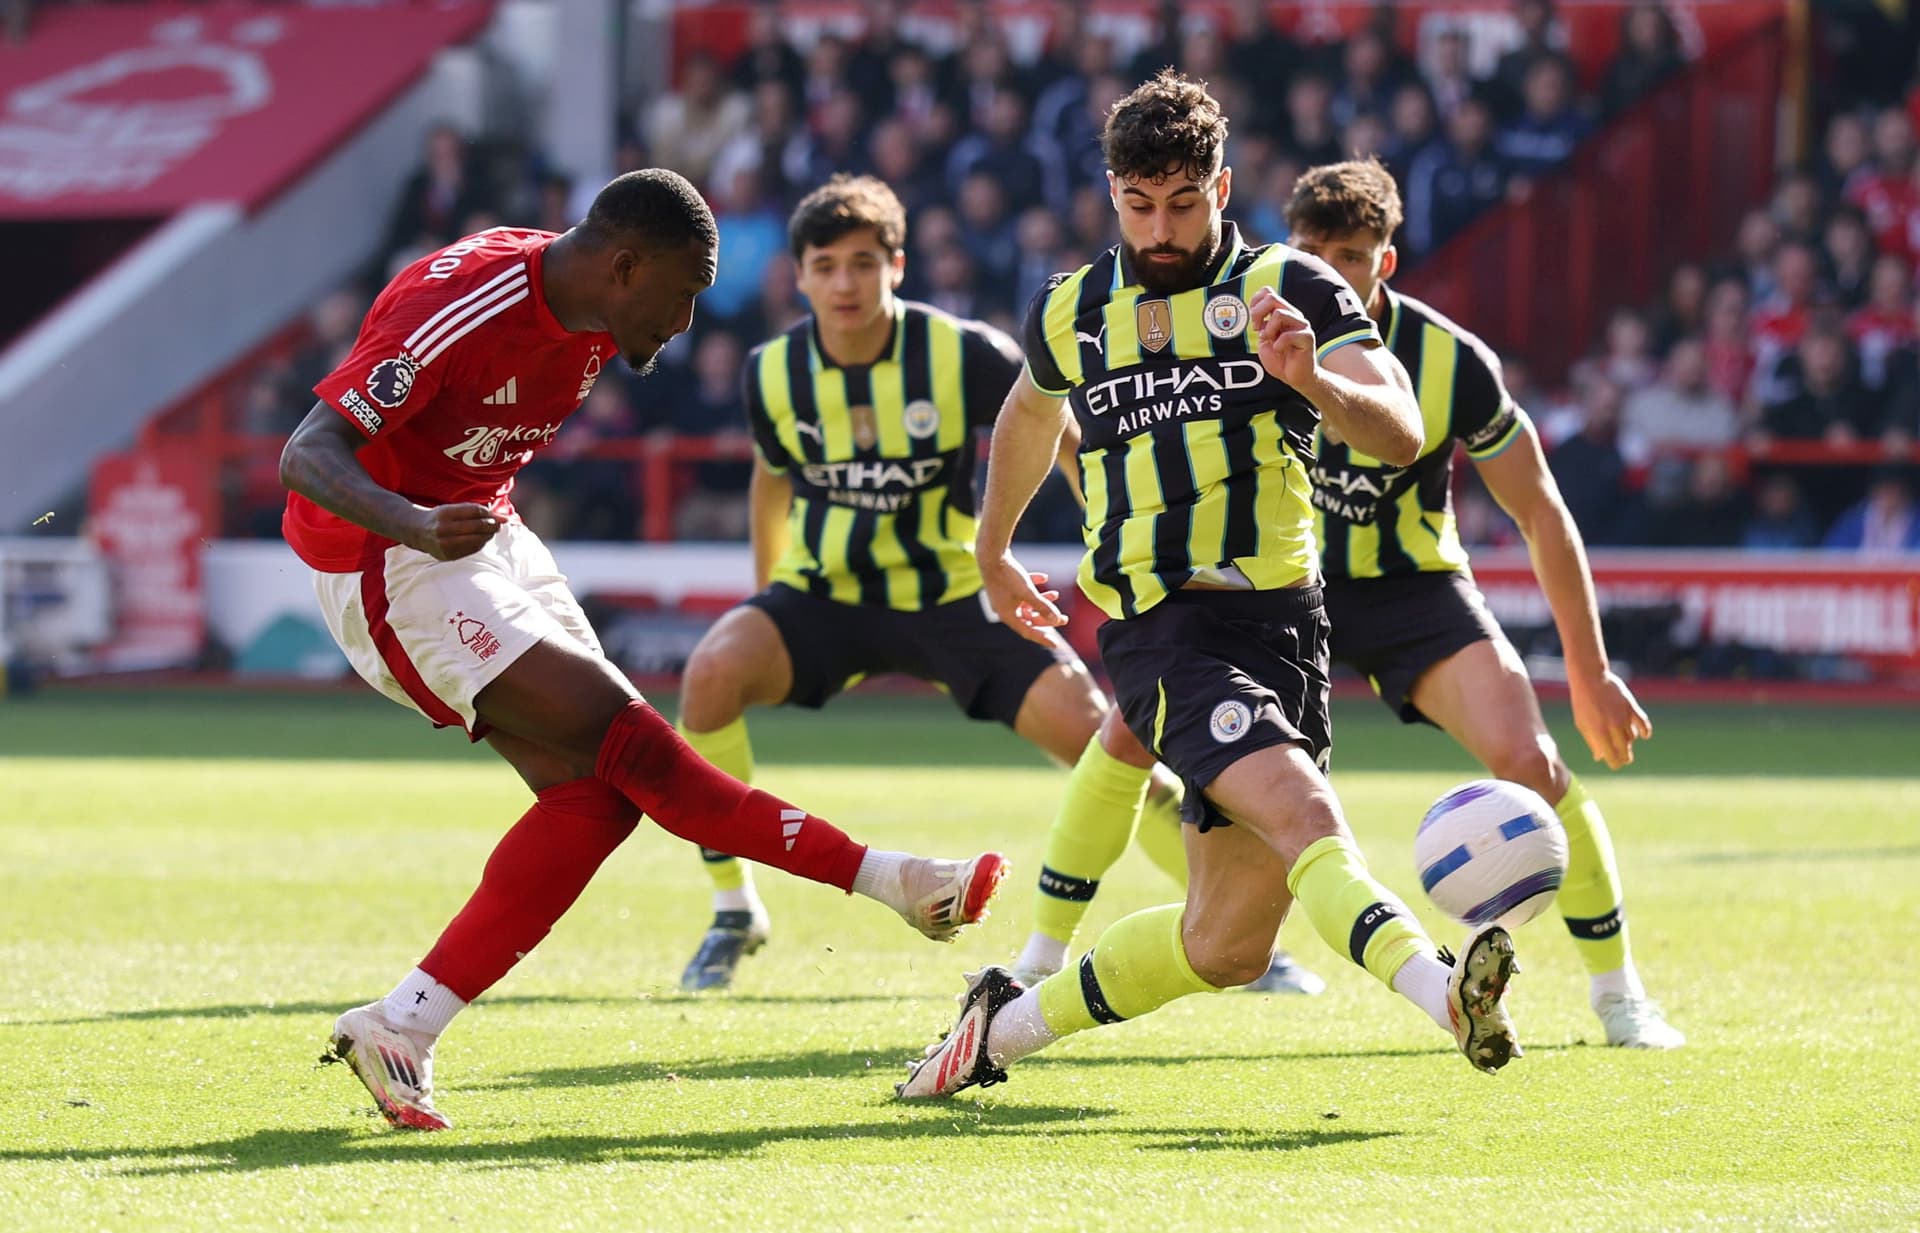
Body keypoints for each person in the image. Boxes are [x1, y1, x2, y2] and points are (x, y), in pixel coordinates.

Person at [278, 170, 1006, 1131]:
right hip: (389, 558)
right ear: (623, 266)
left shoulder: (591, 306)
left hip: (483, 539)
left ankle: (401, 1025)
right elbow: (307, 453)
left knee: (597, 798)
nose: (687, 319)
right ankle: (898, 880)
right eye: (683, 293)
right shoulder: (461, 307)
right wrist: (412, 522)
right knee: (636, 747)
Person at [897, 74, 1523, 1101]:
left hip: (1285, 625)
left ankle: (996, 1032)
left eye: (1183, 203)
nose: (1161, 226)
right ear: (1111, 194)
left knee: (1226, 941)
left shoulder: (1296, 287)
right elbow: (1025, 413)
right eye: (1139, 205)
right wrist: (993, 548)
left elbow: (1403, 428)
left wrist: (1314, 379)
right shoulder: (1074, 306)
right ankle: (1445, 995)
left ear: (1222, 187)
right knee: (1308, 818)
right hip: (1161, 627)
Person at [669, 175, 1266, 993]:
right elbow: (773, 479)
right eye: (826, 266)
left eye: (863, 263)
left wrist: (1112, 516)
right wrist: (766, 594)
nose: (846, 283)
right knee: (709, 675)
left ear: (898, 266)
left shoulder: (961, 351)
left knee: (1104, 734)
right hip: (824, 597)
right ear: (798, 276)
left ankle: (1221, 923)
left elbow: (1059, 424)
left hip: (957, 595)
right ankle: (735, 907)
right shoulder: (770, 372)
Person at [1285, 160, 1681, 1046]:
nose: (1332, 272)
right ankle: (1044, 961)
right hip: (1280, 585)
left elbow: (1540, 509)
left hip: (1414, 592)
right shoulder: (1241, 335)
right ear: (1288, 251)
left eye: (1353, 255)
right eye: (1313, 253)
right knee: (1132, 742)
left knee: (1534, 764)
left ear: (1386, 263)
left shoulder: (1452, 360)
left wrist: (1591, 671)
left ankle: (1620, 996)